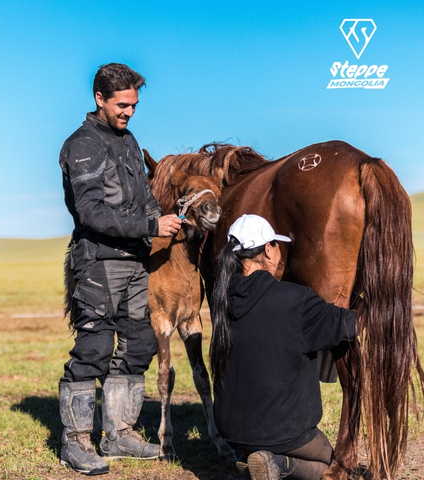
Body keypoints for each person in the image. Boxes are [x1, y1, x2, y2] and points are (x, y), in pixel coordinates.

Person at [58, 63, 182, 475]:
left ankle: (118, 434)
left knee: (140, 345)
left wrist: (163, 220)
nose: (129, 112)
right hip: (98, 263)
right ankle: (75, 442)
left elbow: (145, 197)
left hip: (135, 262)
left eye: (134, 105)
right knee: (93, 350)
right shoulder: (83, 144)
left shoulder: (128, 141)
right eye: (122, 105)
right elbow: (90, 212)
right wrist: (150, 227)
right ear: (100, 98)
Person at [209, 214, 357, 480]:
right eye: (276, 245)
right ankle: (277, 463)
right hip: (287, 432)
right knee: (331, 467)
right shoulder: (294, 299)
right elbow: (347, 325)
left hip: (231, 432)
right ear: (268, 250)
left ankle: (254, 459)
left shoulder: (221, 299)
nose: (279, 252)